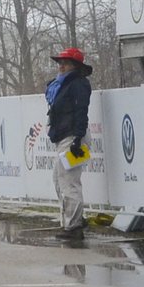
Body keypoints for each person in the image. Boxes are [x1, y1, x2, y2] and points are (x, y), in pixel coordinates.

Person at [45, 47, 93, 241]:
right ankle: (73, 220)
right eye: (60, 63)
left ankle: (73, 226)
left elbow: (82, 111)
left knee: (68, 183)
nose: (61, 66)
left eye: (65, 63)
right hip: (64, 136)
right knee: (59, 180)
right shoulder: (61, 85)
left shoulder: (79, 85)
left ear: (75, 66)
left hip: (73, 137)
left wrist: (77, 138)